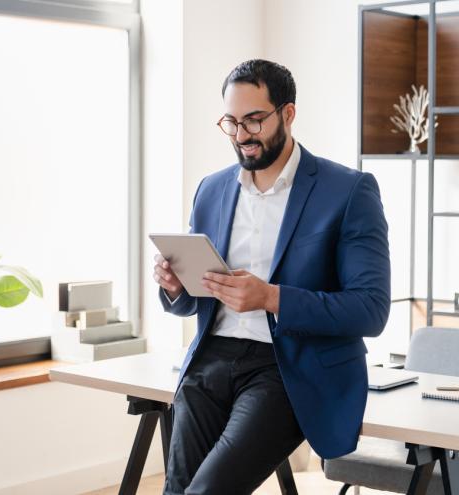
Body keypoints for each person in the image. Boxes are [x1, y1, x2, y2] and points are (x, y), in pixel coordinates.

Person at [153, 59, 391, 494]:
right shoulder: (212, 188)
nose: (242, 134)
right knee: (177, 490)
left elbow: (370, 310)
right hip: (211, 359)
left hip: (287, 369)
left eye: (254, 120)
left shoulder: (349, 191)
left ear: (287, 113)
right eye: (231, 122)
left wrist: (271, 298)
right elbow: (197, 297)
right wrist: (175, 287)